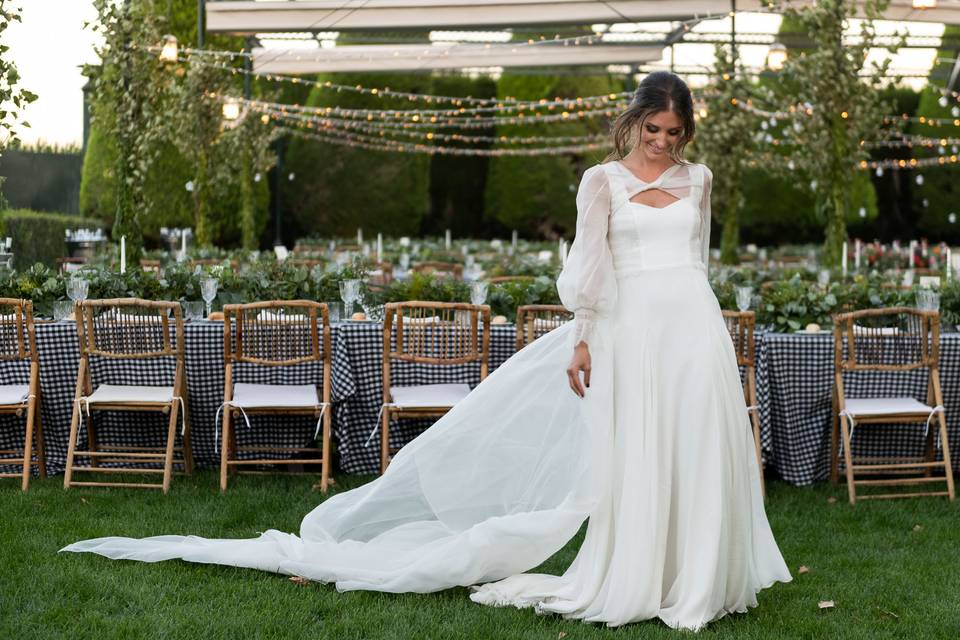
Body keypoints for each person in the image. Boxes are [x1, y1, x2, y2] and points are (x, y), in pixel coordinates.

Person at [62, 71, 791, 631]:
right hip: (630, 330)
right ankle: (640, 575)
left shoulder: (701, 180)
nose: (664, 143)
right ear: (634, 121)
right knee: (639, 453)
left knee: (697, 447)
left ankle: (701, 578)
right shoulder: (600, 180)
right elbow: (589, 271)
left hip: (694, 327)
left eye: (675, 133)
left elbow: (699, 261)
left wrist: (712, 325)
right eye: (654, 129)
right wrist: (583, 339)